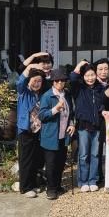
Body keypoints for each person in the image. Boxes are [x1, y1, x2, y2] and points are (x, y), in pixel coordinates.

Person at [38, 69, 75, 200]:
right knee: (51, 164)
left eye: (62, 80)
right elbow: (42, 115)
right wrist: (55, 109)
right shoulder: (47, 96)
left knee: (60, 163)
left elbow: (71, 113)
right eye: (57, 80)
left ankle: (58, 186)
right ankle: (51, 189)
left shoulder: (67, 94)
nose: (60, 82)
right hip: (50, 136)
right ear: (53, 82)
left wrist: (72, 124)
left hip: (63, 135)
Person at [70, 61, 106, 193]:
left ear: (96, 75)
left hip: (97, 126)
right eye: (87, 75)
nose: (90, 78)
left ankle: (93, 180)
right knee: (84, 155)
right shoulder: (79, 88)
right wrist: (79, 65)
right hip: (83, 126)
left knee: (95, 154)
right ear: (83, 76)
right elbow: (72, 78)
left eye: (92, 75)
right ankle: (83, 181)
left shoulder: (100, 88)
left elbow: (104, 103)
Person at [15, 63, 46, 198]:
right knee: (26, 159)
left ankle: (33, 184)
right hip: (26, 130)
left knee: (36, 159)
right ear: (29, 81)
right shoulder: (23, 92)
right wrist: (30, 66)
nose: (37, 84)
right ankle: (25, 187)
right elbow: (19, 81)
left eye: (39, 81)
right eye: (34, 81)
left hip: (38, 130)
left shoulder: (41, 95)